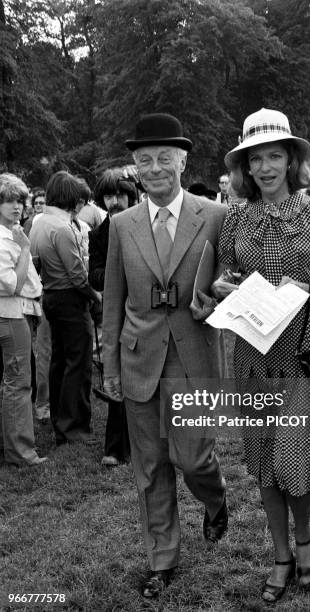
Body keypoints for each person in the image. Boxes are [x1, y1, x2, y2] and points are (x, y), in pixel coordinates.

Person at [212, 108, 310, 604]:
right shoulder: (235, 218)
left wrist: (309, 287)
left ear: (292, 160)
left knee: (296, 456)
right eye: (257, 159)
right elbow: (222, 276)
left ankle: (306, 539)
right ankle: (281, 553)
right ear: (246, 167)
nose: (267, 167)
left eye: (275, 155)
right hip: (255, 349)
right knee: (264, 457)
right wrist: (220, 285)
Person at [102, 113, 228, 598]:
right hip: (139, 359)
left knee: (195, 460)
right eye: (144, 161)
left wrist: (215, 299)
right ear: (135, 168)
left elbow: (232, 286)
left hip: (193, 355)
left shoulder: (214, 216)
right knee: (150, 466)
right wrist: (110, 365)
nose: (154, 169)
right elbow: (112, 303)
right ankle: (162, 559)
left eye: (163, 159)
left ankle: (215, 501)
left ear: (182, 161)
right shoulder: (121, 225)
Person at [30, 171, 101, 446]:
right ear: (70, 197)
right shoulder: (61, 227)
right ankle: (75, 428)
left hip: (50, 295)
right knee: (78, 364)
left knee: (59, 361)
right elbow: (77, 275)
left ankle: (61, 420)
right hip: (69, 298)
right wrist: (96, 297)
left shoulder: (39, 222)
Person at [88, 168, 137, 466]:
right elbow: (93, 275)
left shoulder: (148, 225)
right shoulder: (99, 233)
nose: (114, 201)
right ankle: (116, 447)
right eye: (108, 195)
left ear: (131, 196)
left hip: (152, 312)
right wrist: (118, 275)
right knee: (118, 373)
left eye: (120, 194)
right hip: (117, 312)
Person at [0, 173, 47, 466]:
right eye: (7, 201)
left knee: (12, 380)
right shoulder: (7, 238)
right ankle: (21, 451)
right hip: (10, 314)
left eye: (19, 200)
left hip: (17, 312)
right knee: (18, 383)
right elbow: (14, 284)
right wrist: (26, 249)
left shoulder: (14, 231)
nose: (16, 206)